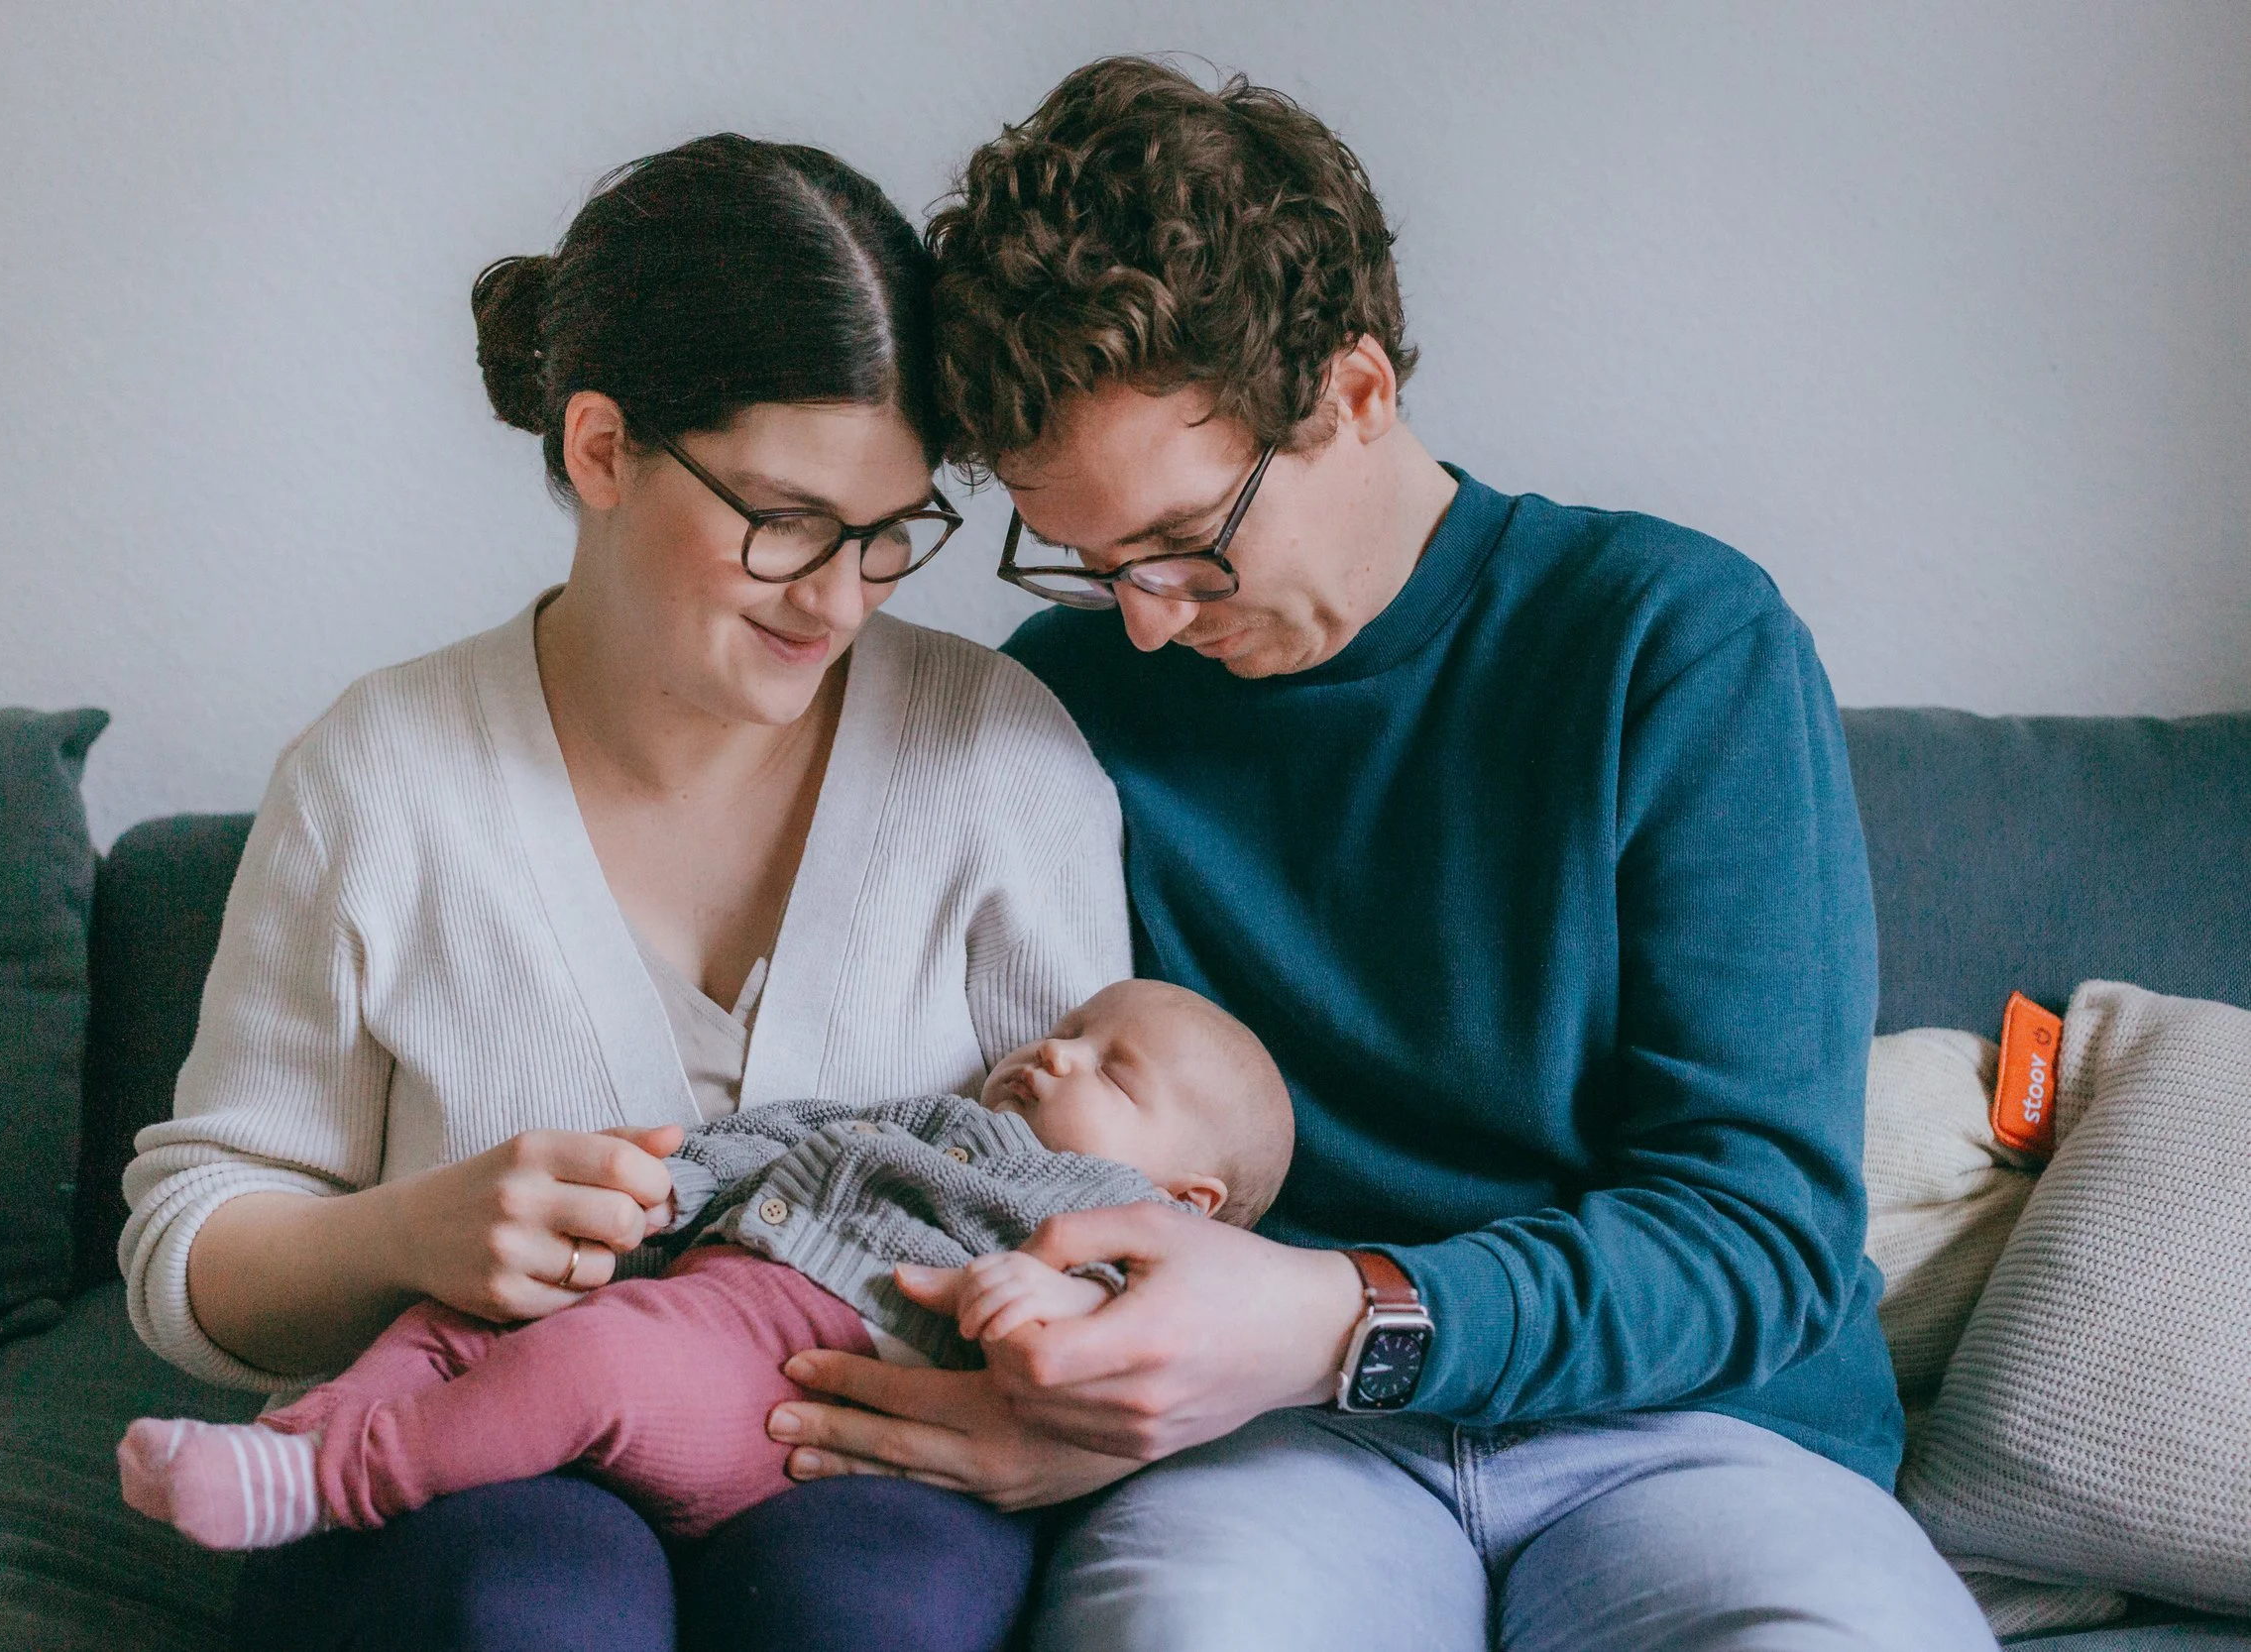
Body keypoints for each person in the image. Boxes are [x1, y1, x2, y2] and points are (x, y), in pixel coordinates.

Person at [761, 59, 1999, 1651]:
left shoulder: (1673, 641)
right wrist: (1059, 1388)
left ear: (1354, 393)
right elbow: (967, 1133)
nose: (1144, 622)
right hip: (1272, 1451)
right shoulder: (1057, 700)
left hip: (1698, 1431)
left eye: (1184, 546)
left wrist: (1336, 1315)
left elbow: (1755, 1232)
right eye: (1084, 561)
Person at [118, 133, 1130, 1652]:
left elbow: (1109, 1192)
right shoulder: (382, 772)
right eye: (787, 519)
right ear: (601, 448)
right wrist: (407, 1233)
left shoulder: (993, 756)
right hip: (469, 1481)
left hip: (855, 1465)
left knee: (873, 1608)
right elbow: (188, 1252)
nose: (839, 597)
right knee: (536, 1602)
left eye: (889, 535)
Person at [118, 980, 1293, 1553]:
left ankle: (335, 1482)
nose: (1056, 1053)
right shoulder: (924, 1115)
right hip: (684, 1291)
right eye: (1067, 1029)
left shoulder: (1109, 1214)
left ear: (1188, 1197)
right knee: (461, 1310)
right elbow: (767, 1137)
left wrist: (1051, 1297)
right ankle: (297, 1435)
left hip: (779, 1385)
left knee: (591, 1359)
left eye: (1112, 1068)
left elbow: (1127, 1335)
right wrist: (661, 1186)